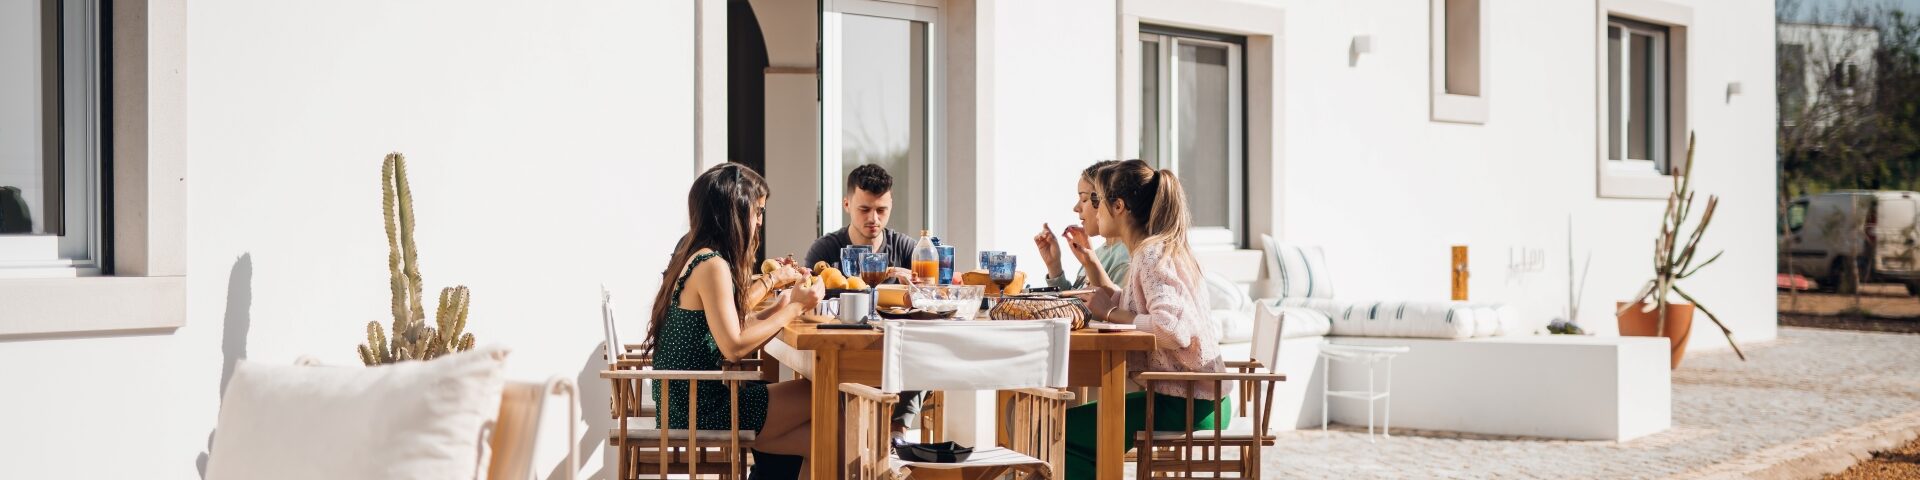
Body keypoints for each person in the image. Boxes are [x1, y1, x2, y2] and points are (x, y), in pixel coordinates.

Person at [642, 163, 822, 479]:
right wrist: (792, 310)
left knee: (822, 440)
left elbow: (731, 328)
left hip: (690, 402)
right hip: (702, 408)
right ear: (735, 212)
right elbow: (734, 346)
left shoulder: (695, 254)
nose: (760, 222)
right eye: (758, 212)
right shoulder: (712, 265)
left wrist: (777, 308)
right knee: (822, 395)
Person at [1064, 159, 1228, 480]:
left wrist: (1110, 313)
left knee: (1065, 432)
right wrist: (1107, 300)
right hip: (1185, 399)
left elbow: (1172, 329)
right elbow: (1139, 307)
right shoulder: (1149, 251)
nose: (1092, 210)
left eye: (1098, 201)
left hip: (1187, 404)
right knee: (1072, 431)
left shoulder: (1152, 255)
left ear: (1119, 207)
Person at [803, 164, 916, 284]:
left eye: (881, 210)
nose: (873, 219)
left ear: (891, 206)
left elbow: (932, 296)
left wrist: (917, 288)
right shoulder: (824, 250)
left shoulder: (906, 249)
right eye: (864, 209)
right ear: (847, 205)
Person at [1034, 160, 1131, 291]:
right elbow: (1077, 300)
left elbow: (1108, 308)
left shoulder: (1125, 259)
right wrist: (1054, 266)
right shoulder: (1099, 253)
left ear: (1116, 204)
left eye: (1085, 199)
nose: (1076, 208)